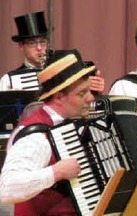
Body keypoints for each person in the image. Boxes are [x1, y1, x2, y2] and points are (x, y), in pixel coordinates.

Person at [0, 50, 97, 215]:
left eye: (89, 91)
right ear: (59, 97)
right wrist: (56, 172)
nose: (91, 98)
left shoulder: (75, 123)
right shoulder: (35, 137)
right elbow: (7, 189)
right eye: (82, 93)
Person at [1, 11, 105, 93]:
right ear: (21, 46)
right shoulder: (9, 80)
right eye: (32, 43)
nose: (39, 48)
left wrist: (94, 91)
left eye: (43, 42)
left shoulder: (66, 70)